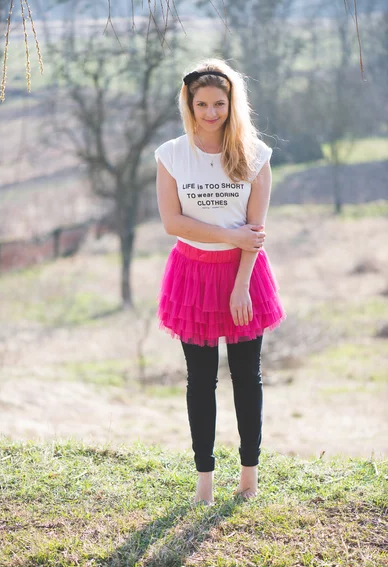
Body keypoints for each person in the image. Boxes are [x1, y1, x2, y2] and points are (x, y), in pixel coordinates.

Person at [154, 58, 286, 506]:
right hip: (191, 274)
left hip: (244, 275)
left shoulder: (255, 155)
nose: (211, 112)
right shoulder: (171, 155)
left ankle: (249, 476)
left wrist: (241, 283)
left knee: (248, 376)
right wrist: (228, 235)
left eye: (220, 103)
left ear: (233, 104)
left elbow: (257, 231)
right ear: (189, 105)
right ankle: (204, 481)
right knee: (200, 381)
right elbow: (173, 223)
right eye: (202, 104)